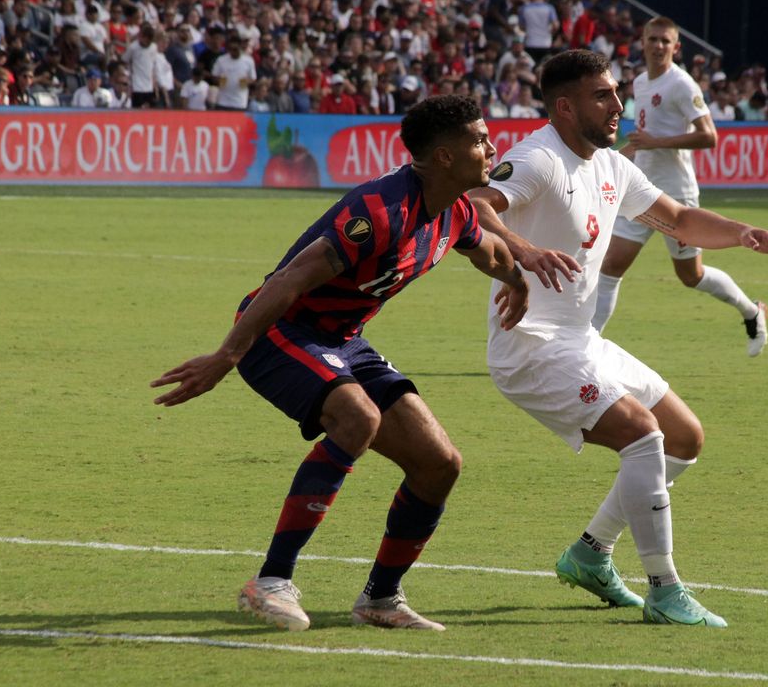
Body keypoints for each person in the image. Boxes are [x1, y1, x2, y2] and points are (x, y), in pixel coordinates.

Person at [151, 95, 529, 633]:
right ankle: (271, 581)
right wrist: (226, 355)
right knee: (358, 419)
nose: (492, 147)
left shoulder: (455, 211)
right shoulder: (379, 211)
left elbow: (490, 253)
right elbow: (288, 281)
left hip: (342, 339)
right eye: (480, 139)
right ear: (444, 156)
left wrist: (517, 283)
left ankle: (380, 598)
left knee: (440, 462)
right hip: (277, 332)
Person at [467, 50, 768, 628]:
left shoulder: (614, 166)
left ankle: (590, 554)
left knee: (684, 438)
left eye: (617, 92)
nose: (619, 104)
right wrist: (524, 252)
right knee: (644, 435)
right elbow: (474, 204)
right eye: (603, 95)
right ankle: (665, 591)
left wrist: (743, 234)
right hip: (531, 347)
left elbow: (679, 219)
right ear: (565, 107)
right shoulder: (539, 158)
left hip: (578, 338)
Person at [592, 18, 768, 357]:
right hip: (640, 189)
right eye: (652, 39)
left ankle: (751, 310)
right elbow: (646, 137)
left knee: (691, 275)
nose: (658, 46)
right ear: (641, 43)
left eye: (665, 41)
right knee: (612, 264)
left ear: (676, 47)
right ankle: (584, 346)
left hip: (677, 194)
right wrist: (629, 152)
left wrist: (659, 142)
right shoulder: (641, 82)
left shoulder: (682, 85)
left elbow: (709, 136)